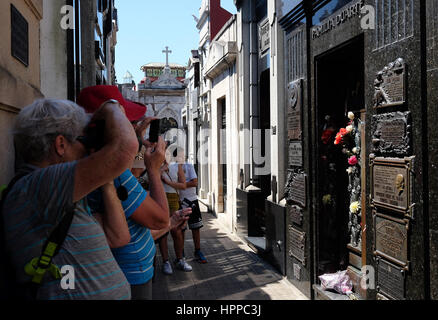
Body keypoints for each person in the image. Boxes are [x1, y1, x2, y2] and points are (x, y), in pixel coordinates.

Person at [1, 98, 138, 300]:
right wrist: (111, 106)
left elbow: (117, 236)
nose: (86, 150)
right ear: (61, 144)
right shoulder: (39, 187)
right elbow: (125, 148)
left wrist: (104, 178)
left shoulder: (52, 195)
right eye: (83, 141)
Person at [77, 85, 170, 300]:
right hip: (132, 275)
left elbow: (134, 175)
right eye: (127, 123)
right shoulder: (111, 173)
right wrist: (155, 171)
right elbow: (160, 220)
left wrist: (135, 142)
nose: (133, 126)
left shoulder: (92, 162)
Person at [158, 147, 192, 274]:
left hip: (173, 198)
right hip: (159, 196)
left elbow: (183, 185)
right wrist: (160, 170)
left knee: (176, 231)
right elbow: (148, 179)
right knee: (162, 231)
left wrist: (167, 182)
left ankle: (180, 259)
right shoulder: (155, 164)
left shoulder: (176, 166)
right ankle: (166, 261)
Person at [179, 155, 207, 264]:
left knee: (196, 227)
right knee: (181, 229)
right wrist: (186, 184)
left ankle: (198, 251)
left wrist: (179, 185)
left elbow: (195, 182)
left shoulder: (189, 166)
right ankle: (180, 252)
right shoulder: (171, 169)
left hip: (192, 200)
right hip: (179, 201)